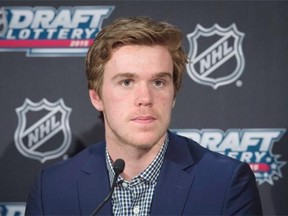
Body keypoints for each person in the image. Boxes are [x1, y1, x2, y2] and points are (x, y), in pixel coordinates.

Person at [25, 16, 262, 215]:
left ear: (174, 94)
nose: (145, 98)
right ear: (97, 97)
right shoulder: (52, 188)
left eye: (159, 82)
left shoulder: (225, 183)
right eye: (127, 82)